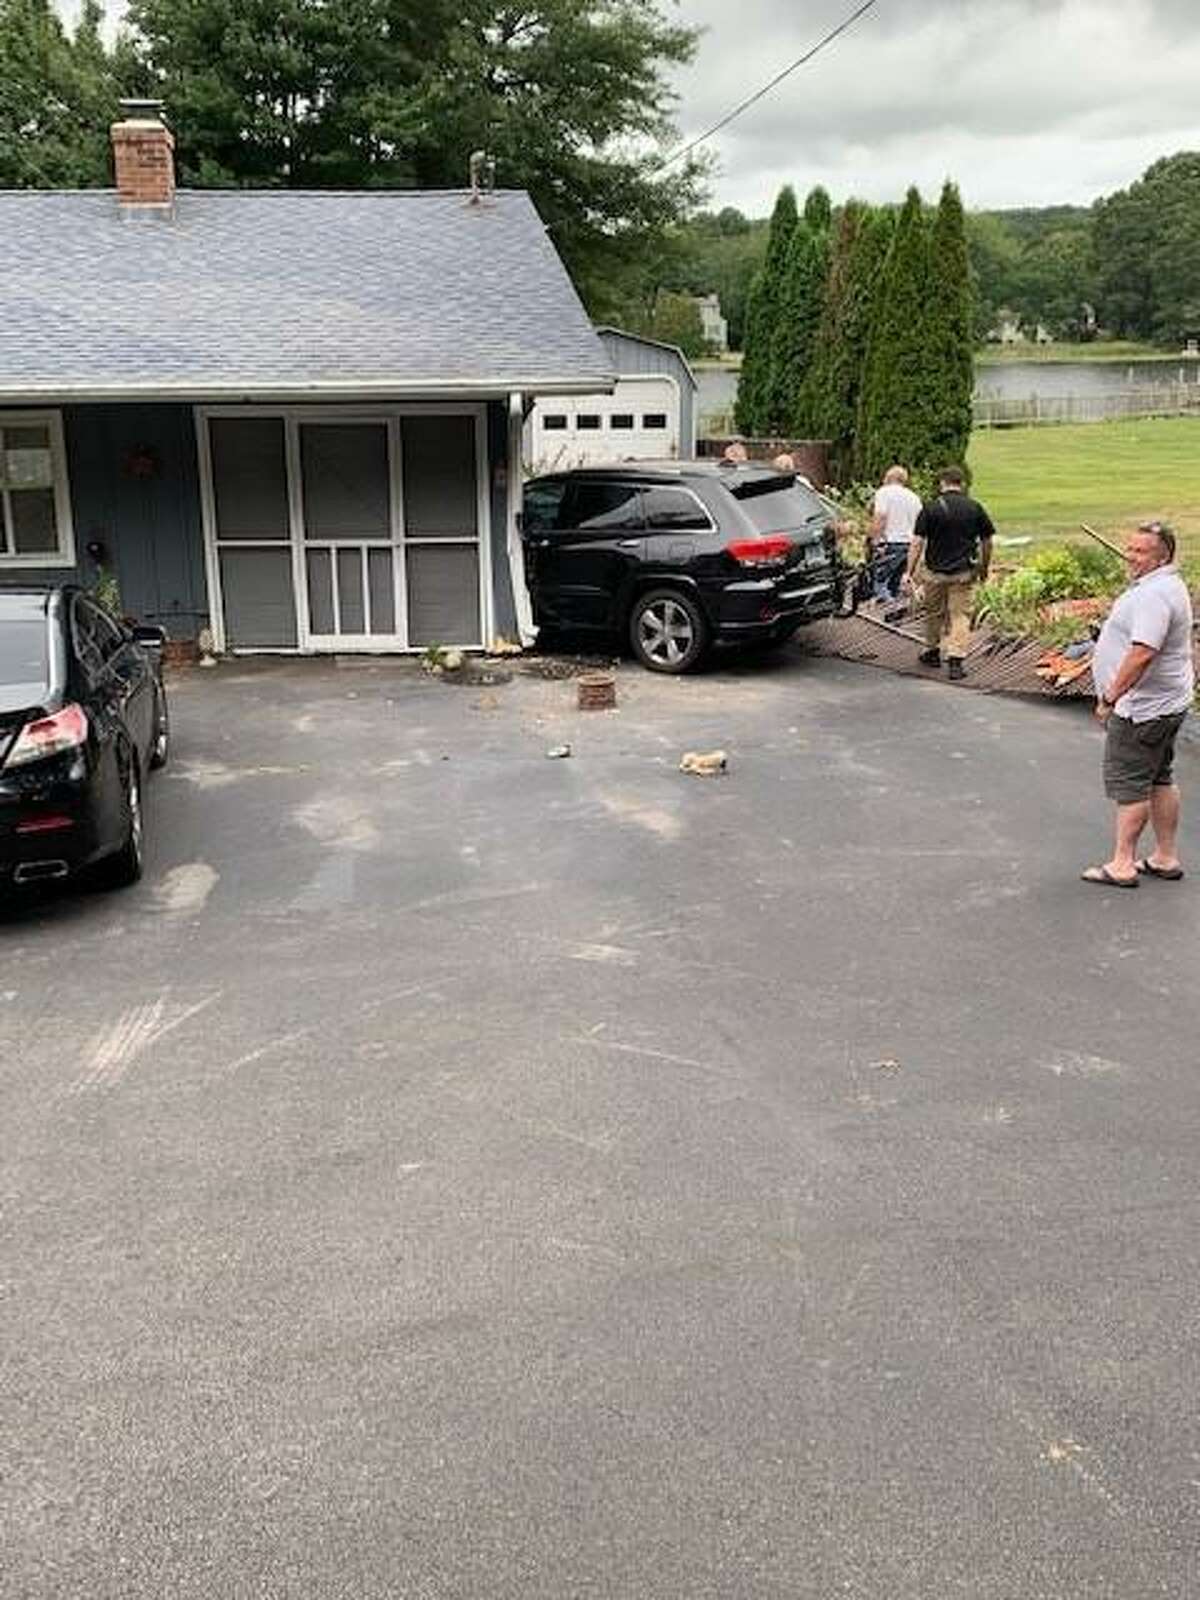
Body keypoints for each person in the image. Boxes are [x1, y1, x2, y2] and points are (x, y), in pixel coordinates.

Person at [1081, 521, 1194, 888]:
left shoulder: (1154, 596)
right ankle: (1164, 856)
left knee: (1131, 782)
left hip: (1142, 707)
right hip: (1167, 701)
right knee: (1160, 776)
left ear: (1164, 556)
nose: (1130, 556)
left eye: (1141, 551)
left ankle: (1122, 863)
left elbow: (1143, 651)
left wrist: (1110, 697)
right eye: (1130, 548)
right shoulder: (1166, 585)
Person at [905, 465, 994, 681]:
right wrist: (983, 567)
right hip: (963, 573)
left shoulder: (930, 508)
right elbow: (987, 541)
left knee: (933, 613)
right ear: (961, 483)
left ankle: (932, 651)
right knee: (960, 615)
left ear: (942, 483)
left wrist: (909, 571)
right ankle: (956, 660)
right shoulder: (974, 508)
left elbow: (917, 543)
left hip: (934, 573)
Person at [868, 465, 922, 601]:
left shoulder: (884, 492)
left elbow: (880, 517)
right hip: (909, 547)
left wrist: (874, 541)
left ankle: (884, 612)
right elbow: (919, 526)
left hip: (889, 545)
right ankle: (895, 615)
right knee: (896, 586)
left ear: (889, 477)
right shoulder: (914, 497)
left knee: (880, 584)